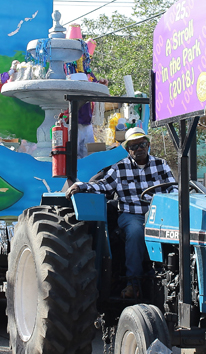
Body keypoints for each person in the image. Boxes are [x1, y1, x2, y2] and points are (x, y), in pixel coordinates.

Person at [66, 127, 175, 299]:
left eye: (142, 144)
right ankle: (133, 282)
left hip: (157, 215)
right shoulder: (119, 168)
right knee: (136, 231)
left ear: (148, 145)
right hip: (131, 215)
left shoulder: (160, 164)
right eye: (134, 146)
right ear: (127, 149)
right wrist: (82, 186)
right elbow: (104, 185)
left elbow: (173, 188)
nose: (139, 148)